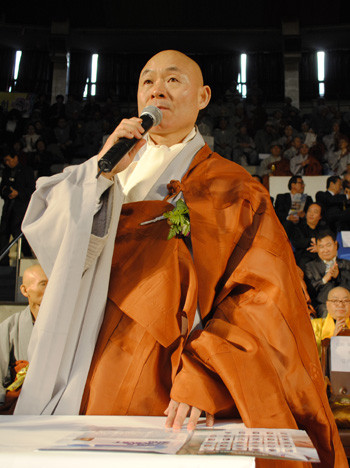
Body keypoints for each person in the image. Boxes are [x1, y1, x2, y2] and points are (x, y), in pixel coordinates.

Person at [15, 50, 346, 467]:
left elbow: (259, 296)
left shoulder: (231, 186)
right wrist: (98, 172)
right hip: (87, 356)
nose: (157, 90)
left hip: (172, 371)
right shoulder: (107, 166)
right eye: (147, 80)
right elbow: (54, 244)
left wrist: (205, 373)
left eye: (173, 80)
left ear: (203, 97)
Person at [0, 264, 48, 412]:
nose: (50, 290)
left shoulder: (69, 325)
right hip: (20, 406)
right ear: (24, 290)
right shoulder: (10, 326)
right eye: (43, 284)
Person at [0, 149, 36, 264]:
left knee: (21, 239)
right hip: (7, 211)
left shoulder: (27, 171)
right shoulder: (6, 172)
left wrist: (18, 193)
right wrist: (7, 192)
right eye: (5, 161)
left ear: (15, 158)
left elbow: (32, 190)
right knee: (3, 238)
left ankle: (27, 262)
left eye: (9, 160)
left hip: (20, 210)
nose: (7, 163)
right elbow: (2, 189)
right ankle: (3, 265)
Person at [304, 229, 350, 318]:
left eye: (328, 245)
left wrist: (338, 277)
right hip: (322, 306)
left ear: (335, 245)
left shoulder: (347, 265)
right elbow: (309, 292)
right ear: (317, 248)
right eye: (321, 246)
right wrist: (324, 279)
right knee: (325, 310)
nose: (325, 250)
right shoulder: (310, 267)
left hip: (346, 305)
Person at [311, 286, 350, 357]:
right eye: (335, 301)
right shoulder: (315, 325)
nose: (341, 305)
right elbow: (311, 356)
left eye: (346, 301)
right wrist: (332, 340)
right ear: (327, 305)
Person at [287, 202, 324, 270]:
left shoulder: (324, 229)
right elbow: (296, 242)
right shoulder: (298, 227)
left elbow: (332, 242)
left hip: (320, 256)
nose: (311, 214)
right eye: (309, 211)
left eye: (315, 212)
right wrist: (310, 240)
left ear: (320, 216)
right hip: (303, 258)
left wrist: (319, 248)